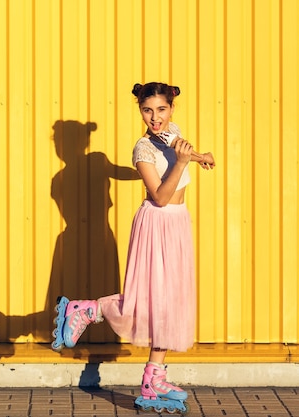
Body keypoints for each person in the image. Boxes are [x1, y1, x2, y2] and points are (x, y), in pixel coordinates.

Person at [51, 82, 215, 413]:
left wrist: (199, 157)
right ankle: (87, 310)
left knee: (169, 304)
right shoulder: (143, 149)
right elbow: (160, 195)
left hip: (178, 223)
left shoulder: (172, 134)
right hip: (156, 223)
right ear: (139, 109)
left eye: (161, 110)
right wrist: (185, 163)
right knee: (149, 301)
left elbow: (160, 158)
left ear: (172, 109)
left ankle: (154, 377)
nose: (155, 118)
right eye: (147, 110)